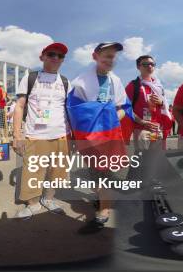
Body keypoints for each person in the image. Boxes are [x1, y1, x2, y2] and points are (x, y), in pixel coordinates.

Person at [69, 42, 129, 232]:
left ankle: (104, 211)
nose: (110, 60)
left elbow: (123, 109)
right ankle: (104, 200)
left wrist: (110, 118)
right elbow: (74, 112)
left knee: (104, 174)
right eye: (106, 56)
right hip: (89, 137)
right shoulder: (80, 82)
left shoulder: (116, 81)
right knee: (95, 175)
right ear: (95, 56)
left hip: (109, 135)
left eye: (113, 57)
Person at [12, 42, 72, 219]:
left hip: (61, 135)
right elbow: (19, 107)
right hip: (35, 135)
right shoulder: (30, 78)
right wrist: (17, 135)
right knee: (33, 172)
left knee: (57, 171)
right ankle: (32, 204)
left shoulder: (66, 82)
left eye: (60, 56)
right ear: (42, 56)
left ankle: (48, 199)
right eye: (52, 54)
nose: (56, 58)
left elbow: (71, 110)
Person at [125, 55, 172, 151]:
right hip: (141, 129)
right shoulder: (133, 85)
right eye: (145, 64)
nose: (149, 66)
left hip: (156, 129)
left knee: (154, 158)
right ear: (138, 67)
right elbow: (126, 108)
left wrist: (161, 102)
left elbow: (165, 106)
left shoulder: (158, 86)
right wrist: (142, 122)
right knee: (142, 157)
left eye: (152, 64)